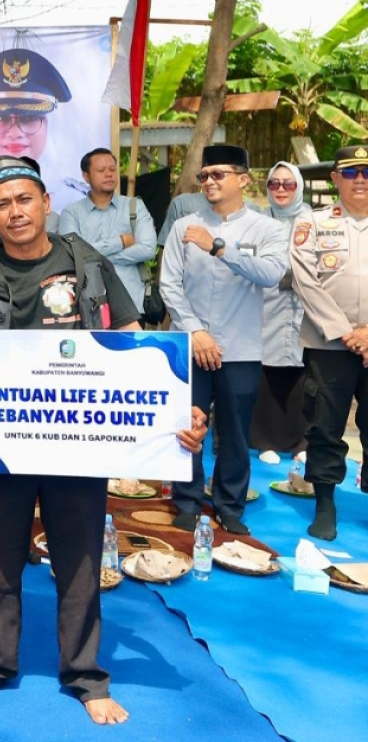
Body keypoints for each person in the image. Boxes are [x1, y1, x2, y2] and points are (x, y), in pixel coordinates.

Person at [0, 155, 207, 726]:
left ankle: (85, 675)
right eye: (2, 204)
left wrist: (177, 409)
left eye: (24, 199)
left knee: (79, 562)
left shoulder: (86, 263)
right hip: (1, 444)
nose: (15, 212)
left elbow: (133, 342)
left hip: (78, 444)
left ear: (46, 203)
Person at [159, 144, 288, 535]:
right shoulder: (184, 227)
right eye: (204, 175)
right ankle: (186, 500)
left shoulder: (268, 229)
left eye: (218, 174)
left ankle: (230, 506)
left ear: (243, 179)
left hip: (240, 348)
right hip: (190, 346)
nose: (209, 181)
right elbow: (169, 285)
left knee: (234, 432)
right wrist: (195, 331)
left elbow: (271, 274)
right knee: (186, 426)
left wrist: (218, 247)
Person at [290, 144, 368, 541]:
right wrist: (345, 331)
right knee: (325, 424)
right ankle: (325, 503)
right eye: (351, 173)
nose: (360, 180)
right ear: (336, 178)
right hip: (329, 344)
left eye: (366, 173)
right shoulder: (313, 222)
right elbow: (305, 280)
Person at [0, 49, 86, 213]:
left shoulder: (74, 200)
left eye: (29, 118)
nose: (15, 133)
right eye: (2, 118)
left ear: (47, 124)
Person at [251, 161, 312, 465]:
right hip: (267, 307)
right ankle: (265, 441)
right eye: (274, 183)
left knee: (303, 376)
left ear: (299, 186)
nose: (281, 189)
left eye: (288, 184)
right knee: (268, 373)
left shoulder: (313, 220)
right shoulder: (257, 221)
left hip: (306, 309)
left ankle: (302, 442)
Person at [58, 148, 157, 310]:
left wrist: (98, 258)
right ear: (86, 176)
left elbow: (147, 249)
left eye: (112, 169)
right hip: (88, 304)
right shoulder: (71, 212)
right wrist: (119, 242)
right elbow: (72, 253)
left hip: (132, 301)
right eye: (101, 170)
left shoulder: (134, 206)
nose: (109, 174)